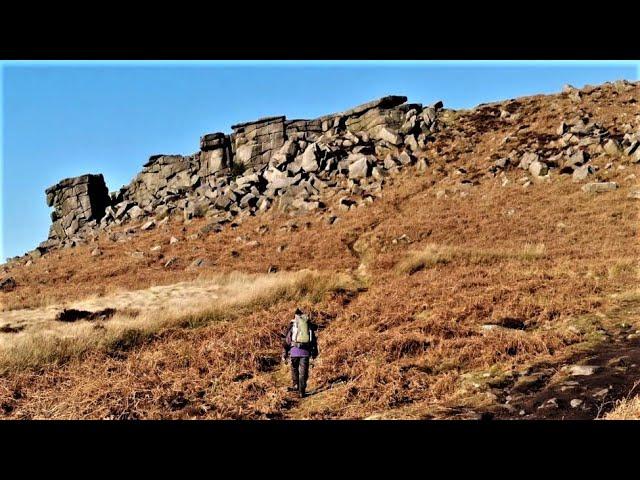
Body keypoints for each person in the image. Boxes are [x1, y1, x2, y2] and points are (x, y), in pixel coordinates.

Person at [282, 308, 318, 398]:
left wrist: (285, 353)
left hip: (294, 351)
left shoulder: (292, 324)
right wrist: (314, 352)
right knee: (304, 372)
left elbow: (287, 340)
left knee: (294, 368)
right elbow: (313, 340)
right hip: (305, 352)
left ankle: (296, 385)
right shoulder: (308, 324)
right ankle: (302, 391)